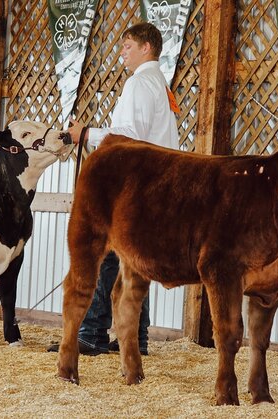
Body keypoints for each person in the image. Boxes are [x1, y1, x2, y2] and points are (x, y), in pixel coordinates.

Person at [48, 22, 179, 356]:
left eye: (128, 45)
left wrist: (85, 134)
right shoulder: (160, 85)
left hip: (135, 185)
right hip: (157, 184)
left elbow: (128, 135)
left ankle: (91, 332)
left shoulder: (139, 83)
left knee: (105, 251)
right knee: (134, 261)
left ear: (147, 47)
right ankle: (136, 338)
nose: (123, 51)